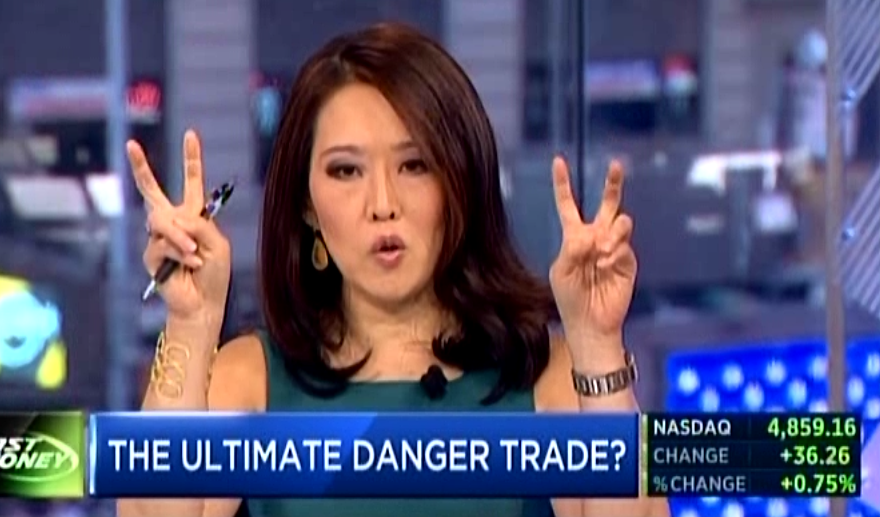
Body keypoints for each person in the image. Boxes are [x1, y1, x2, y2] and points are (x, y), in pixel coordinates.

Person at [117, 23, 667, 517]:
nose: (383, 203)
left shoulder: (546, 375)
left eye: (414, 165)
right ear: (307, 205)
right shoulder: (253, 379)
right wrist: (190, 322)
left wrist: (598, 345)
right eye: (346, 171)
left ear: (461, 184)